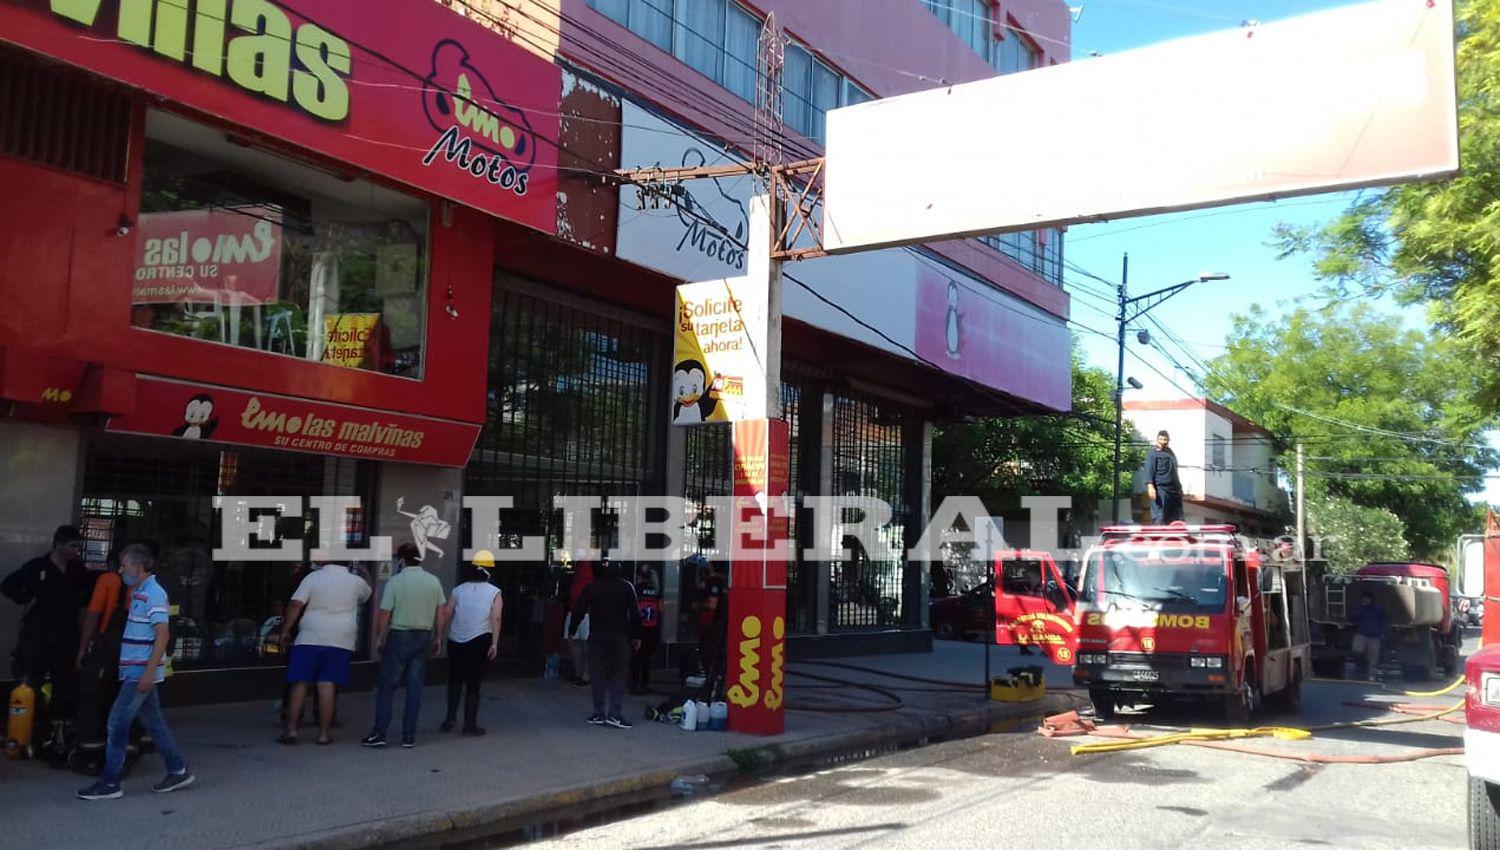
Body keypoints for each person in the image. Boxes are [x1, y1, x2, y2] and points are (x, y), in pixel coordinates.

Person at [76, 544, 193, 800]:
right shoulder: (140, 591)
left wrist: (149, 673)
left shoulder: (152, 593)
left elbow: (162, 633)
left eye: (124, 565)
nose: (120, 570)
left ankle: (110, 782)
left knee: (117, 723)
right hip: (138, 670)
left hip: (140, 672)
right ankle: (177, 769)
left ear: (138, 568)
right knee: (154, 722)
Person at [3, 525, 91, 726]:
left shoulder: (77, 570)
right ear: (58, 545)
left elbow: (88, 597)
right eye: (73, 546)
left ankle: (59, 726)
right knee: (30, 677)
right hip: (38, 632)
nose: (76, 550)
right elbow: (8, 585)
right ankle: (27, 724)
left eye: (79, 546)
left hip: (66, 632)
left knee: (65, 680)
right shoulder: (37, 567)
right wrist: (26, 597)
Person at [277, 558, 371, 745]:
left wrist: (286, 630)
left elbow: (296, 604)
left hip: (310, 636)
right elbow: (367, 594)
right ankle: (323, 734)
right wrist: (365, 572)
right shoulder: (355, 582)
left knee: (300, 683)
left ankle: (291, 731)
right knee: (327, 684)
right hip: (340, 639)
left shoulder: (313, 578)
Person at [362, 554, 445, 749]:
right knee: (414, 688)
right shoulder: (434, 581)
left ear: (401, 561)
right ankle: (409, 736)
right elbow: (441, 610)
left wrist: (380, 638)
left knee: (387, 687)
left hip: (399, 636)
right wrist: (438, 636)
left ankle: (380, 733)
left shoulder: (396, 581)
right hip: (423, 637)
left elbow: (385, 613)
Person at [74, 548, 130, 767]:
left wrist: (81, 650)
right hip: (131, 652)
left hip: (105, 651)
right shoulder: (147, 585)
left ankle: (91, 751)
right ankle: (123, 751)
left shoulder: (107, 580)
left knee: (92, 697)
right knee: (121, 701)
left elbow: (92, 616)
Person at [568, 559, 640, 729]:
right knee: (619, 674)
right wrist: (637, 636)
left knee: (597, 674)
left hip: (597, 635)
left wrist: (572, 629)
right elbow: (635, 614)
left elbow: (579, 609)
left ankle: (598, 713)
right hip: (620, 636)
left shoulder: (592, 586)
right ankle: (615, 714)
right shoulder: (626, 587)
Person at [439, 551, 502, 735]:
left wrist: (440, 635)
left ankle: (450, 719)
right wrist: (495, 643)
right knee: (474, 683)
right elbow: (496, 618)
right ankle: (469, 725)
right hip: (480, 640)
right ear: (489, 571)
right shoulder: (494, 592)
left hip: (456, 640)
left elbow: (447, 613)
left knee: (455, 680)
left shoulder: (458, 590)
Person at [695, 560, 728, 699]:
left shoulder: (713, 582)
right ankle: (716, 691)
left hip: (711, 627)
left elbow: (712, 604)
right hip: (722, 626)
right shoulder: (726, 582)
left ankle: (709, 692)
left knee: (710, 661)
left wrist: (698, 605)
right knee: (719, 662)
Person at [563, 558, 595, 687]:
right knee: (573, 640)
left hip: (585, 611)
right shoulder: (580, 566)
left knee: (584, 643)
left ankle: (585, 674)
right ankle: (579, 672)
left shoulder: (590, 565)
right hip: (575, 608)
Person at [630, 567, 662, 695]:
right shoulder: (656, 591)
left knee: (636, 657)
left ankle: (635, 683)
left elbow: (632, 609)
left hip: (639, 628)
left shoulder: (636, 589)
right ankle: (644, 684)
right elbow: (661, 609)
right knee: (646, 659)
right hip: (652, 629)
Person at [1145, 430, 1184, 524]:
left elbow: (1174, 471)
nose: (1163, 442)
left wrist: (1179, 489)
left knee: (1176, 518)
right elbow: (1149, 470)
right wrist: (1150, 486)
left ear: (1168, 440)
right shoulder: (1153, 453)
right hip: (1160, 490)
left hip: (1174, 491)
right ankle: (1158, 537)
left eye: (1165, 440)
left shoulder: (1171, 453)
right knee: (1160, 516)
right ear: (1157, 440)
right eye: (1161, 439)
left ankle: (1174, 537)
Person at [1351, 592, 1388, 681]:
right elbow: (1353, 617)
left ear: (1371, 600)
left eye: (1367, 599)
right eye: (1364, 599)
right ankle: (1362, 666)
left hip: (1374, 636)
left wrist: (1383, 632)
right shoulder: (1359, 608)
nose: (1365, 600)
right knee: (1357, 652)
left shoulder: (1378, 609)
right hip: (1361, 634)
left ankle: (1372, 675)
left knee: (1374, 657)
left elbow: (1384, 620)